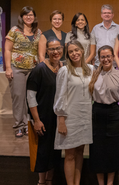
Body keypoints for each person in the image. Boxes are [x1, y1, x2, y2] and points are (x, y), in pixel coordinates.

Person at [53, 40, 94, 185]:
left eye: (76, 50)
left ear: (82, 51)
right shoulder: (65, 71)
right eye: (71, 52)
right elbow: (60, 96)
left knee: (80, 152)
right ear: (68, 55)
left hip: (85, 117)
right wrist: (61, 120)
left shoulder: (90, 69)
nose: (74, 53)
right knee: (69, 154)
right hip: (70, 117)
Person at [26, 37, 63, 185]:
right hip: (42, 117)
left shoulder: (63, 68)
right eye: (52, 49)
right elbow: (30, 96)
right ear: (46, 51)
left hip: (57, 118)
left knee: (55, 151)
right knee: (43, 151)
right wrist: (36, 120)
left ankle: (49, 180)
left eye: (58, 48)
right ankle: (41, 182)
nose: (55, 51)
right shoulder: (39, 69)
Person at [4, 6, 42, 137]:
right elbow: (7, 50)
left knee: (30, 98)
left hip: (33, 69)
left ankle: (28, 124)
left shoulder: (38, 32)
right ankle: (18, 125)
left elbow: (40, 51)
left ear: (34, 17)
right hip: (17, 69)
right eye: (26, 15)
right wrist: (8, 68)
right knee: (19, 97)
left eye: (31, 15)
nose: (29, 17)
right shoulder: (14, 30)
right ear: (22, 17)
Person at [88, 45, 119, 185]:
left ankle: (110, 182)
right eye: (103, 57)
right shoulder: (93, 74)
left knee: (113, 148)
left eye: (108, 56)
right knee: (97, 148)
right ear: (99, 58)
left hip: (113, 112)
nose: (106, 59)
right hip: (97, 111)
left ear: (113, 57)